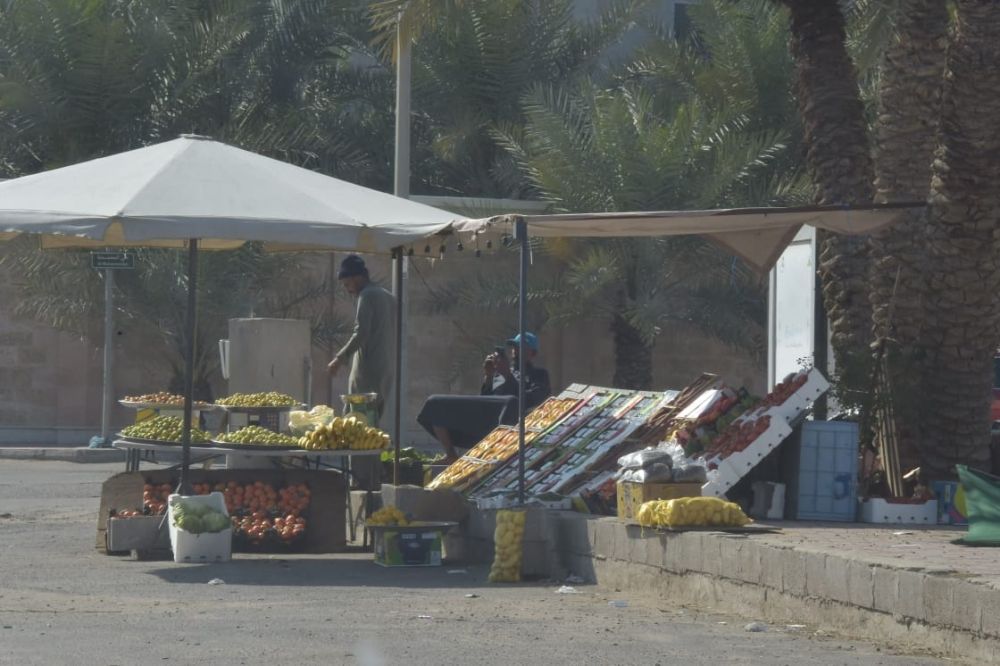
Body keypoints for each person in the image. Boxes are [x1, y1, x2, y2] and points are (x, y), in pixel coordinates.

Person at [417, 332, 551, 462]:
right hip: (487, 421)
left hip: (513, 426)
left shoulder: (539, 374)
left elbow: (531, 400)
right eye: (514, 346)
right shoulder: (499, 373)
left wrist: (507, 375)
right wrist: (489, 376)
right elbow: (485, 400)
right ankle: (451, 454)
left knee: (510, 402)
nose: (516, 350)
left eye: (521, 347)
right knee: (436, 402)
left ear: (532, 353)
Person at [327, 254, 395, 424]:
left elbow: (361, 333)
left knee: (354, 424)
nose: (347, 289)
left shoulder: (367, 295)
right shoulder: (388, 296)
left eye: (347, 284)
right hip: (385, 371)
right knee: (372, 424)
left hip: (366, 372)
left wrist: (339, 359)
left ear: (357, 278)